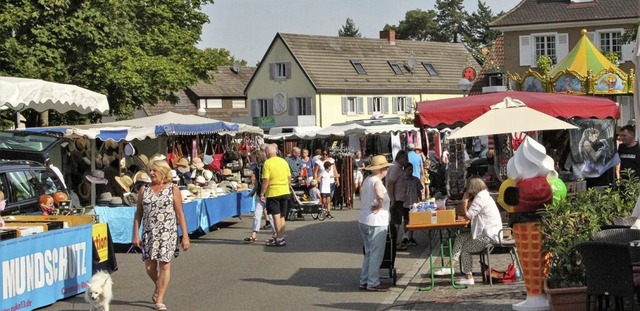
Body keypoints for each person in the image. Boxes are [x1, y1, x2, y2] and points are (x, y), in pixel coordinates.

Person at [132, 160, 190, 310]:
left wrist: (185, 236)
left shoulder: (173, 189)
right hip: (149, 233)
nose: (151, 173)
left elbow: (180, 213)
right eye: (150, 170)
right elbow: (138, 214)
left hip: (167, 233)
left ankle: (160, 298)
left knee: (165, 264)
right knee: (150, 267)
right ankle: (158, 285)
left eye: (154, 170)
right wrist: (135, 235)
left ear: (163, 172)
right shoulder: (144, 190)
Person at [447, 177, 502, 285]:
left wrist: (465, 200)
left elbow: (468, 215)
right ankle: (450, 266)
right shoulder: (484, 196)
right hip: (487, 232)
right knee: (460, 237)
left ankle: (469, 277)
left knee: (466, 248)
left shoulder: (480, 198)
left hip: (488, 236)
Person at [358, 155, 393, 292]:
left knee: (368, 252)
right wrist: (381, 203)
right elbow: (380, 195)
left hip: (364, 219)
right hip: (376, 221)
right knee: (376, 253)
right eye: (385, 168)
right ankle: (373, 282)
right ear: (381, 169)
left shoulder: (367, 179)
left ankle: (364, 279)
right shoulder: (377, 181)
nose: (387, 171)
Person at [260, 143, 291, 246]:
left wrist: (262, 193)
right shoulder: (284, 161)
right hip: (285, 190)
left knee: (276, 216)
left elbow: (266, 180)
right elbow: (289, 177)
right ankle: (281, 237)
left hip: (274, 192)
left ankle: (279, 238)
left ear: (267, 153)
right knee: (282, 216)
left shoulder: (267, 163)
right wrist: (287, 186)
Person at [244, 149, 275, 243]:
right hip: (259, 194)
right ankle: (254, 234)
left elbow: (267, 180)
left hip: (267, 194)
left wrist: (262, 193)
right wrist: (253, 191)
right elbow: (258, 182)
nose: (252, 159)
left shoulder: (267, 165)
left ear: (257, 157)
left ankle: (275, 234)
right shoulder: (257, 168)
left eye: (253, 157)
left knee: (271, 215)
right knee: (257, 214)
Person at [385, 150, 409, 250]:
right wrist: (392, 199)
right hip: (396, 198)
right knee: (396, 221)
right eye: (406, 158)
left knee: (397, 220)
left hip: (399, 198)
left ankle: (395, 240)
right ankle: (393, 241)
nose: (407, 161)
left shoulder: (398, 167)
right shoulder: (395, 167)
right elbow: (391, 183)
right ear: (401, 158)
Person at [402, 162, 424, 246]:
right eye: (408, 170)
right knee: (406, 220)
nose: (410, 171)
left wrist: (421, 200)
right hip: (405, 203)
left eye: (411, 170)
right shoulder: (403, 180)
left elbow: (419, 191)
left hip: (414, 203)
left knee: (412, 220)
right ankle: (405, 236)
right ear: (405, 171)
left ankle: (410, 236)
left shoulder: (416, 180)